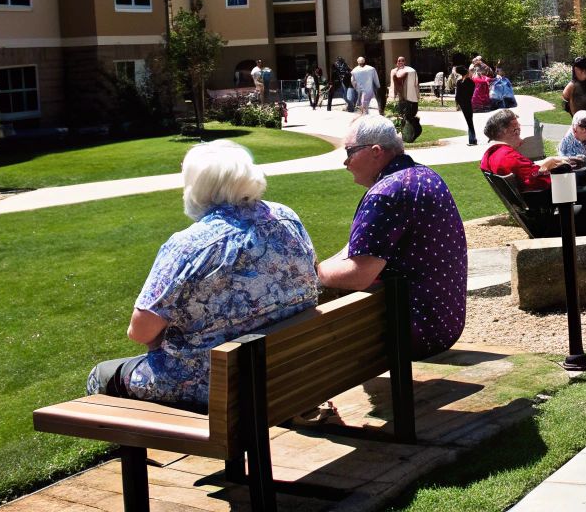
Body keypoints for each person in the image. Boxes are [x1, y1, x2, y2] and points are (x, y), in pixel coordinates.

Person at [86, 140, 319, 410]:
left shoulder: (190, 245)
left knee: (101, 376)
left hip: (220, 385)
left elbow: (140, 331)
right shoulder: (286, 218)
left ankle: (138, 450)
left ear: (197, 187)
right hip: (290, 367)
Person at [318, 115, 467, 359]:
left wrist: (316, 271)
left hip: (411, 330)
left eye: (349, 151)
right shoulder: (427, 177)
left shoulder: (386, 193)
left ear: (375, 151)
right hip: (446, 320)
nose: (345, 162)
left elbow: (358, 276)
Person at [390, 55, 422, 125]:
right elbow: (393, 83)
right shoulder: (394, 71)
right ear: (397, 62)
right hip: (400, 94)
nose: (400, 62)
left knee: (409, 109)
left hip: (410, 94)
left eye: (402, 61)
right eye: (399, 61)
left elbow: (416, 83)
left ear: (405, 62)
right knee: (401, 109)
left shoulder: (410, 70)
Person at [452, 65, 479, 145]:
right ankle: (472, 139)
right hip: (468, 103)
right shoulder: (470, 82)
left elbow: (457, 96)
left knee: (469, 121)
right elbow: (472, 93)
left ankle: (472, 139)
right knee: (469, 121)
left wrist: (458, 104)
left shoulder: (459, 82)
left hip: (463, 104)